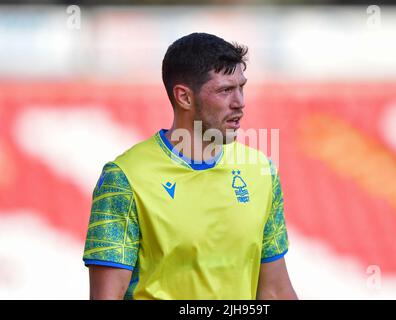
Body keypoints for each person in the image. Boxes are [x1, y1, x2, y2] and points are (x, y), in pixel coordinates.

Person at [82, 32, 298, 300]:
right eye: (225, 90)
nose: (240, 102)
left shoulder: (261, 172)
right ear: (184, 97)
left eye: (241, 87)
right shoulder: (125, 179)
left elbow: (275, 291)